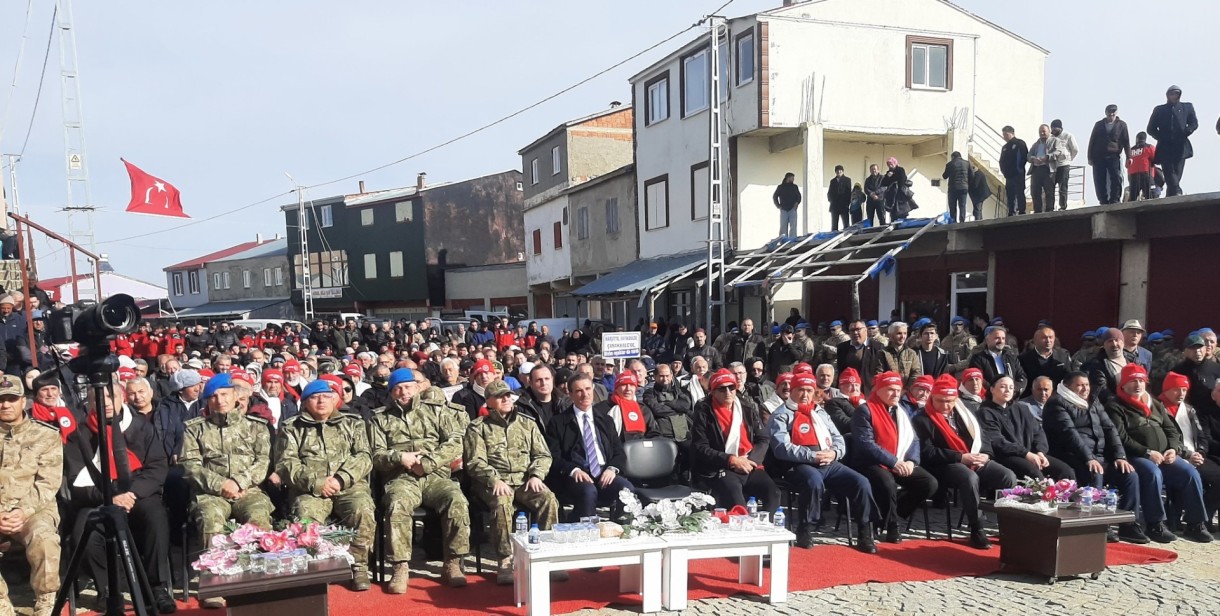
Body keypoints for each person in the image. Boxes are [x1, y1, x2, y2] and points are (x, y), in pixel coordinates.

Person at [64, 380, 176, 613]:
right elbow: (76, 481)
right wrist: (110, 497)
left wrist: (131, 492)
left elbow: (157, 467)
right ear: (90, 402)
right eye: (98, 398)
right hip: (99, 497)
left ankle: (156, 587)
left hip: (138, 494)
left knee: (156, 517)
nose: (105, 402)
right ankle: (105, 590)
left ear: (121, 399)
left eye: (111, 396)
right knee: (84, 528)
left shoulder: (142, 427)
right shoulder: (80, 436)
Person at [368, 368, 469, 592]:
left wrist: (429, 462)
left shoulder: (436, 412)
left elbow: (455, 442)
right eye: (398, 388)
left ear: (416, 387)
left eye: (408, 387)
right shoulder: (379, 419)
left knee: (456, 500)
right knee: (397, 505)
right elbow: (375, 455)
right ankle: (400, 567)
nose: (404, 392)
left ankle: (452, 562)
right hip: (401, 478)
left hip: (435, 476)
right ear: (391, 392)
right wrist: (399, 457)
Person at [180, 374, 274, 610]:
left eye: (223, 394)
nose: (219, 399)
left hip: (249, 491)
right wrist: (221, 485)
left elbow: (263, 462)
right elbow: (190, 466)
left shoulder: (256, 427)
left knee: (259, 518)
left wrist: (239, 483)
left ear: (236, 396)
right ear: (207, 402)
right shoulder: (195, 430)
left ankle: (258, 579)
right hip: (210, 493)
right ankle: (214, 584)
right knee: (211, 519)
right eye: (212, 396)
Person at [278, 380, 376, 590]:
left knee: (362, 509)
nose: (321, 400)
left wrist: (341, 479)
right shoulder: (291, 427)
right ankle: (316, 568)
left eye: (327, 396)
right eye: (314, 397)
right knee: (305, 515)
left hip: (349, 486)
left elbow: (364, 456)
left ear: (335, 400)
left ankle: (358, 566)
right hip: (309, 490)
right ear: (304, 403)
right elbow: (286, 464)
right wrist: (317, 482)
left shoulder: (353, 423)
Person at [464, 379, 563, 585]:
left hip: (524, 481)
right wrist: (494, 479)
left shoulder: (527, 424)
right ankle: (505, 558)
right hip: (493, 483)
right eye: (501, 396)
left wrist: (536, 475)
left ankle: (546, 555)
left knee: (549, 500)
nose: (507, 399)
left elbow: (543, 455)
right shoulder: (478, 428)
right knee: (501, 504)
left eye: (508, 395)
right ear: (489, 402)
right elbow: (475, 461)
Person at [767, 373, 876, 552]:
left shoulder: (819, 412)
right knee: (813, 482)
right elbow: (782, 448)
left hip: (828, 462)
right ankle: (805, 527)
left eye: (809, 390)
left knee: (861, 482)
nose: (805, 395)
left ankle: (865, 531)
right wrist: (812, 456)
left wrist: (834, 453)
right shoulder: (781, 415)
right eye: (800, 390)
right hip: (798, 464)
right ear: (791, 391)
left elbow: (837, 437)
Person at [1106, 364, 1212, 543]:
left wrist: (1173, 449)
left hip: (1165, 455)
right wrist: (1147, 452)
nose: (1138, 385)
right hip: (1136, 456)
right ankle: (1155, 524)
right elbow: (1121, 437)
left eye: (1141, 380)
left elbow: (1172, 430)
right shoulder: (1115, 405)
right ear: (1123, 384)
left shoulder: (1154, 403)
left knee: (1190, 473)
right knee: (1152, 473)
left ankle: (1195, 523)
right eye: (1133, 381)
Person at [912, 374, 1016, 549]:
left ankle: (1007, 527)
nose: (946, 406)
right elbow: (927, 452)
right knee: (969, 478)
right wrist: (960, 457)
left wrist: (986, 454)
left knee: (1007, 476)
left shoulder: (965, 411)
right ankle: (977, 529)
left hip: (974, 458)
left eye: (950, 401)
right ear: (932, 397)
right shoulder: (921, 418)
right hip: (944, 464)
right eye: (941, 401)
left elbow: (983, 438)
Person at [1043, 371, 1144, 543]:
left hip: (1100, 455)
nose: (1085, 389)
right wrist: (1089, 458)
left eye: (1087, 385)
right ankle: (1097, 525)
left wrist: (1120, 456)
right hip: (1072, 455)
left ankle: (1128, 524)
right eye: (1080, 385)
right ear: (1068, 387)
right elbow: (1070, 434)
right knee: (1094, 473)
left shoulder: (1094, 401)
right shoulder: (1056, 403)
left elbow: (1110, 428)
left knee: (1130, 475)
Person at [848, 372, 937, 543]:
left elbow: (913, 438)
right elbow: (866, 444)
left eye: (898, 390)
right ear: (878, 390)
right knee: (886, 483)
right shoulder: (864, 410)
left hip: (900, 460)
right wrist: (894, 462)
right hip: (870, 462)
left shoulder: (900, 411)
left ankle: (889, 516)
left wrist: (911, 461)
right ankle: (892, 525)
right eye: (890, 390)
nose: (896, 394)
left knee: (929, 483)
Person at [0, 374, 62, 616]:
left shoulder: (46, 435)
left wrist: (21, 512)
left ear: (23, 401)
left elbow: (48, 483)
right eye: (1, 399)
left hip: (34, 510)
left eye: (11, 399)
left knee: (44, 538)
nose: (5, 404)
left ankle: (45, 601)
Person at [545, 373, 634, 519]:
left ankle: (620, 529)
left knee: (627, 489)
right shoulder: (558, 423)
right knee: (588, 491)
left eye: (587, 389)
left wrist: (612, 469)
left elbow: (619, 452)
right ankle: (584, 532)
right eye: (579, 391)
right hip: (575, 476)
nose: (584, 394)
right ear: (571, 394)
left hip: (604, 472)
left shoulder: (606, 420)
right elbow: (553, 456)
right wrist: (573, 470)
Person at [691, 369, 778, 512]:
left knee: (773, 493)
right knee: (736, 501)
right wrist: (731, 460)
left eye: (731, 387)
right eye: (722, 388)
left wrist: (752, 461)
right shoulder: (704, 411)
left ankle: (767, 530)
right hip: (721, 466)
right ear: (712, 391)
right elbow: (701, 447)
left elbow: (763, 438)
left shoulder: (747, 407)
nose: (728, 392)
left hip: (749, 463)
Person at [978, 375, 1074, 481]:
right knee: (1035, 474)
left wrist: (1040, 451)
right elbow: (997, 441)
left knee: (1066, 471)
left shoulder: (1021, 408)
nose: (1007, 390)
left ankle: (1065, 497)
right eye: (1003, 387)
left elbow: (1038, 432)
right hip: (1006, 456)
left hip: (1031, 453)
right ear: (992, 389)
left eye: (1011, 387)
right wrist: (1025, 454)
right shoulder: (985, 412)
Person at [1161, 373, 1220, 529]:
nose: (1181, 394)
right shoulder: (1159, 408)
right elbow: (1164, 439)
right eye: (1176, 389)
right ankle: (1196, 521)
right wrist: (1188, 455)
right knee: (1187, 474)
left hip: (1196, 455)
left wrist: (1201, 452)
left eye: (1184, 390)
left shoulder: (1189, 410)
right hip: (1172, 455)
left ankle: (1203, 516)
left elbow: (1201, 436)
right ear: (1166, 389)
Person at [1147, 85, 1198, 197]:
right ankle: (1177, 191)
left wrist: (1187, 131)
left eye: (1176, 94)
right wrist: (1161, 137)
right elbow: (1150, 129)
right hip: (1165, 147)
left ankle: (1171, 195)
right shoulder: (1159, 110)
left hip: (1181, 146)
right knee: (1169, 172)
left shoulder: (1187, 107)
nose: (1173, 96)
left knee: (1178, 173)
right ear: (1167, 95)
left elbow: (1194, 123)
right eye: (1171, 94)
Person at [595, 370, 659, 442]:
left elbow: (654, 434)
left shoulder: (643, 410)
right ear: (616, 388)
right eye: (624, 385)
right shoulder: (602, 409)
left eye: (632, 385)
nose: (628, 389)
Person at [1087, 104, 1131, 205]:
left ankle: (1114, 199)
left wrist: (1129, 157)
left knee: (1116, 177)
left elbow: (1126, 141)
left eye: (1113, 112)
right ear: (1106, 113)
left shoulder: (1122, 125)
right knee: (1099, 179)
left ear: (1116, 113)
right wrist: (1090, 157)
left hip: (1113, 155)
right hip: (1099, 156)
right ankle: (1103, 199)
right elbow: (1092, 141)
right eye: (1109, 112)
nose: (1111, 114)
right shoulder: (1099, 125)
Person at [968, 327, 1028, 395]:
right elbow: (979, 379)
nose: (1001, 341)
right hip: (989, 399)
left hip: (1011, 398)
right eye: (997, 338)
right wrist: (996, 391)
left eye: (1003, 338)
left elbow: (1022, 376)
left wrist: (1012, 390)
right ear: (987, 340)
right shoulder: (978, 358)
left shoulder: (1011, 357)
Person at [1018, 325, 1072, 395]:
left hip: (1057, 398)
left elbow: (1069, 378)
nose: (1048, 341)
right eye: (1044, 338)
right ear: (1035, 340)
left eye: (1051, 337)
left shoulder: (1063, 356)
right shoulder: (1023, 359)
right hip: (1032, 399)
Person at [1083, 327, 1127, 405]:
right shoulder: (1097, 364)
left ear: (1123, 343)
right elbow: (1101, 390)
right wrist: (1120, 403)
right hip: (1112, 407)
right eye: (1110, 341)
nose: (1114, 344)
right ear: (1104, 345)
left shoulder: (1132, 361)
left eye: (1117, 340)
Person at [1027, 124, 1060, 214]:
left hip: (1048, 169)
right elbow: (1029, 155)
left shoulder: (1055, 141)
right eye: (1040, 132)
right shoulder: (1036, 144)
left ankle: (1049, 210)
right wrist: (1033, 159)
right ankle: (1037, 210)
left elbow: (1058, 152)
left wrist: (1047, 157)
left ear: (1049, 131)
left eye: (1044, 131)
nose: (1042, 133)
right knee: (1035, 191)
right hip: (1036, 169)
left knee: (1049, 191)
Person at [1049, 119, 1080, 210]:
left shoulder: (1068, 136)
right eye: (1052, 128)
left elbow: (1075, 150)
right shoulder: (1051, 138)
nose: (1053, 130)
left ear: (1060, 128)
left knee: (1062, 186)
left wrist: (1068, 159)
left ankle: (1062, 206)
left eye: (1055, 128)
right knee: (1050, 187)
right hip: (1053, 166)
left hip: (1064, 165)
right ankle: (1050, 207)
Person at [998, 125, 1028, 215]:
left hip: (1018, 173)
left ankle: (1022, 211)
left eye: (1006, 134)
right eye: (1003, 135)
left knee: (1020, 192)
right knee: (1010, 194)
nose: (1004, 137)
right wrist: (1004, 171)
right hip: (1009, 175)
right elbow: (1001, 161)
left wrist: (1019, 168)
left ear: (1012, 133)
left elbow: (1024, 157)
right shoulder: (1004, 147)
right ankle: (1011, 212)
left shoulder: (1020, 143)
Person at [1126, 132, 1157, 201]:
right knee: (1148, 196)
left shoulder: (1130, 150)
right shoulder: (1149, 147)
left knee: (1133, 197)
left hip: (1133, 175)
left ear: (1137, 139)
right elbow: (1156, 159)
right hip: (1145, 173)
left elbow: (1127, 164)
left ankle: (1131, 210)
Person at [941, 151, 970, 223]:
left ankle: (953, 221)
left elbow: (944, 176)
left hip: (953, 188)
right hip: (964, 187)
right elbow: (971, 175)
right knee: (962, 205)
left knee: (952, 205)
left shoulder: (950, 164)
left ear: (952, 157)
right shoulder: (967, 163)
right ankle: (962, 221)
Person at [773, 172, 802, 238]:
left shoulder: (795, 187)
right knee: (783, 226)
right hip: (783, 209)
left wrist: (797, 203)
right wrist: (778, 205)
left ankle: (792, 241)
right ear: (788, 178)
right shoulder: (781, 187)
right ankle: (783, 240)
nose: (793, 179)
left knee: (793, 226)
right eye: (792, 178)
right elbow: (775, 196)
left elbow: (799, 196)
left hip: (792, 209)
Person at [827, 165, 852, 232]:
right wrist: (831, 199)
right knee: (834, 224)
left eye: (840, 170)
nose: (839, 171)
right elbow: (830, 192)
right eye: (837, 170)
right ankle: (833, 237)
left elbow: (849, 192)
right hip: (834, 205)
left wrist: (847, 203)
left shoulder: (847, 180)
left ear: (843, 171)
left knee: (846, 223)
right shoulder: (833, 181)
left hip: (844, 205)